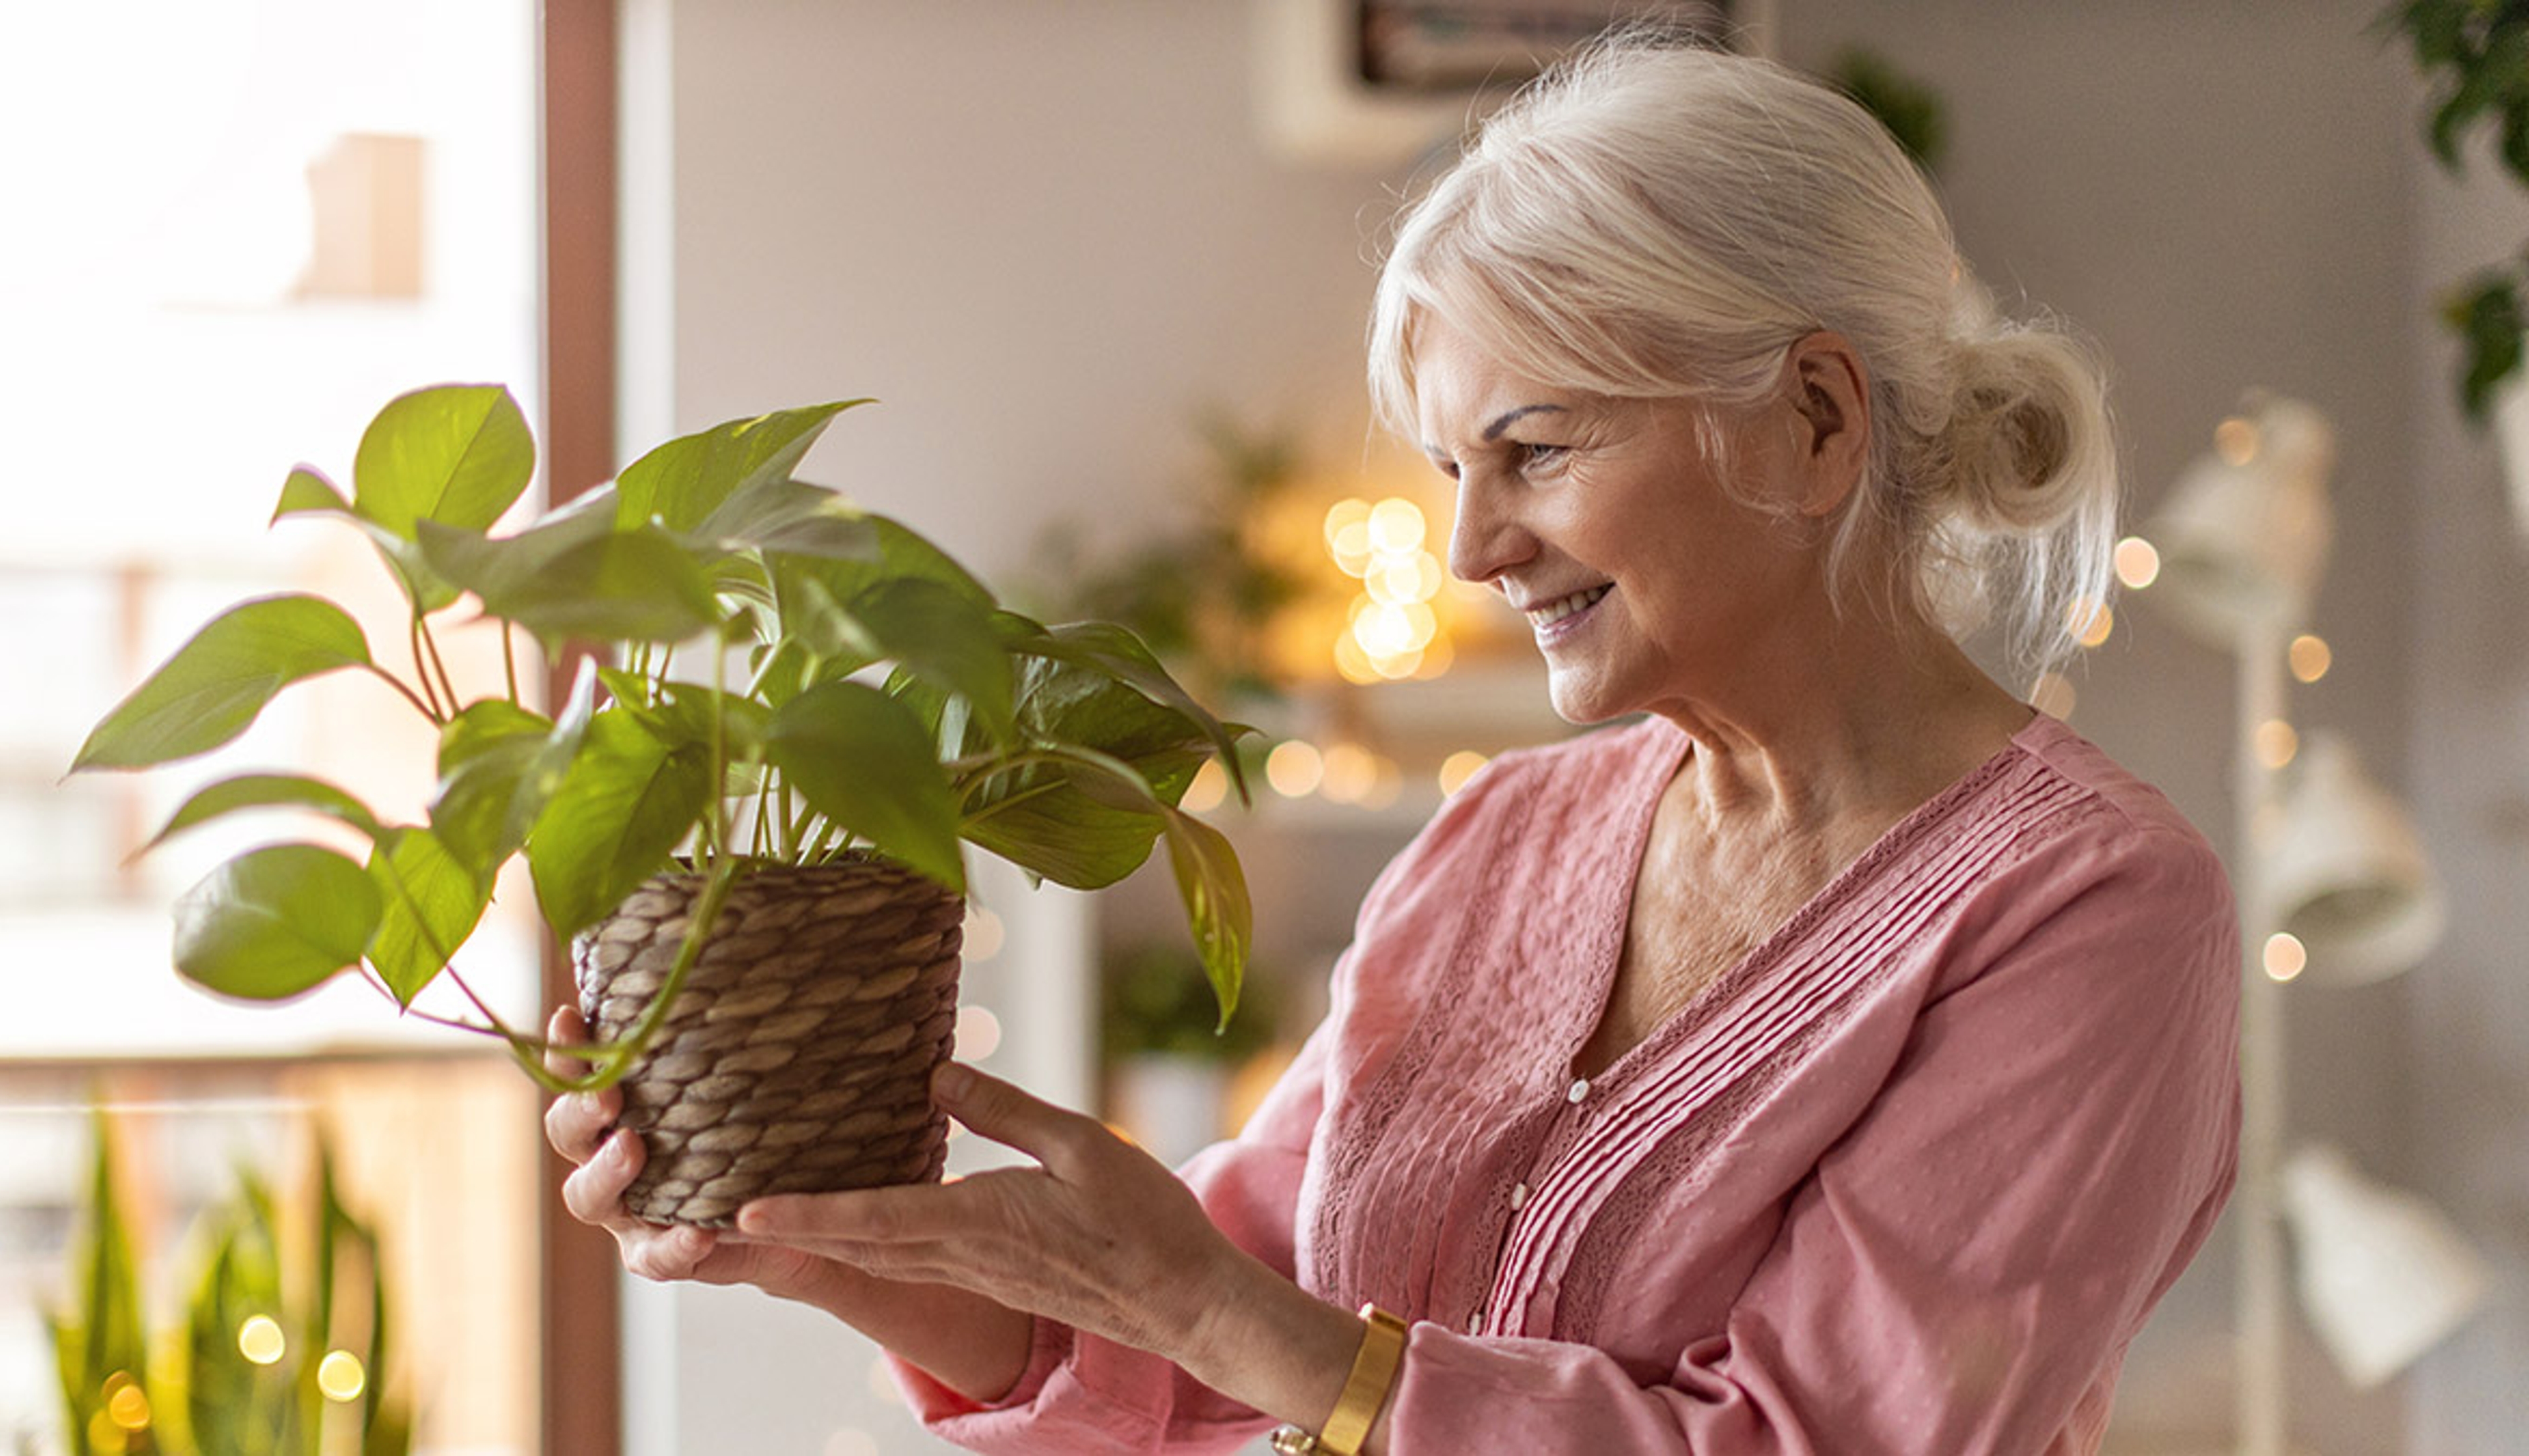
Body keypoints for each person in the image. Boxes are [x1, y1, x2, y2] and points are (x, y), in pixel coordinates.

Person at [546, 35, 2238, 1455]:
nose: (1472, 552)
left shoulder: (2093, 914)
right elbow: (1199, 1344)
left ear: (1811, 419)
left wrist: (1239, 1322)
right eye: (1452, 471)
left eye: (1537, 449)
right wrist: (797, 1240)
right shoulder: (1496, 837)